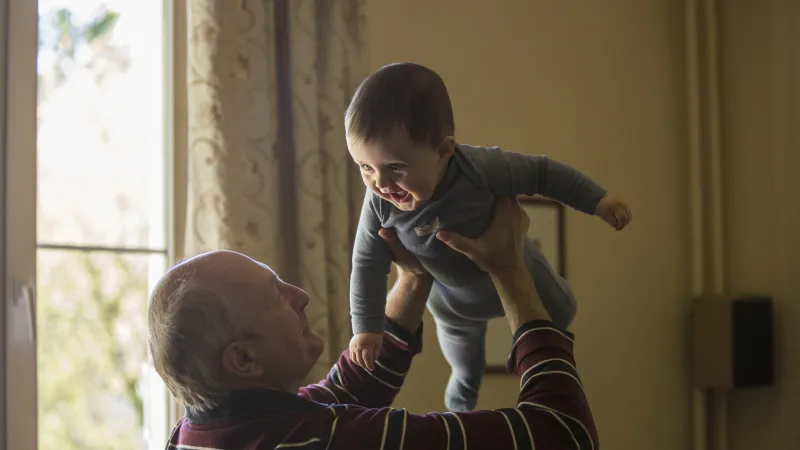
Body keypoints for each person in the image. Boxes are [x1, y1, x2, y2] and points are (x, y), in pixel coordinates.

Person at [150, 197, 599, 449]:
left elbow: (346, 390)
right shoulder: (327, 441)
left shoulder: (200, 434)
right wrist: (509, 270)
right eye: (277, 297)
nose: (301, 296)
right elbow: (563, 435)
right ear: (243, 359)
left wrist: (413, 276)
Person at [347, 61, 632, 411]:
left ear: (443, 151)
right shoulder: (378, 203)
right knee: (466, 369)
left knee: (562, 312)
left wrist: (598, 200)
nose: (380, 183)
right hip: (453, 305)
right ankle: (460, 411)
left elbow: (542, 173)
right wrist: (366, 328)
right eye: (365, 167)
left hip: (518, 268)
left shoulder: (480, 169)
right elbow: (366, 263)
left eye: (395, 167)